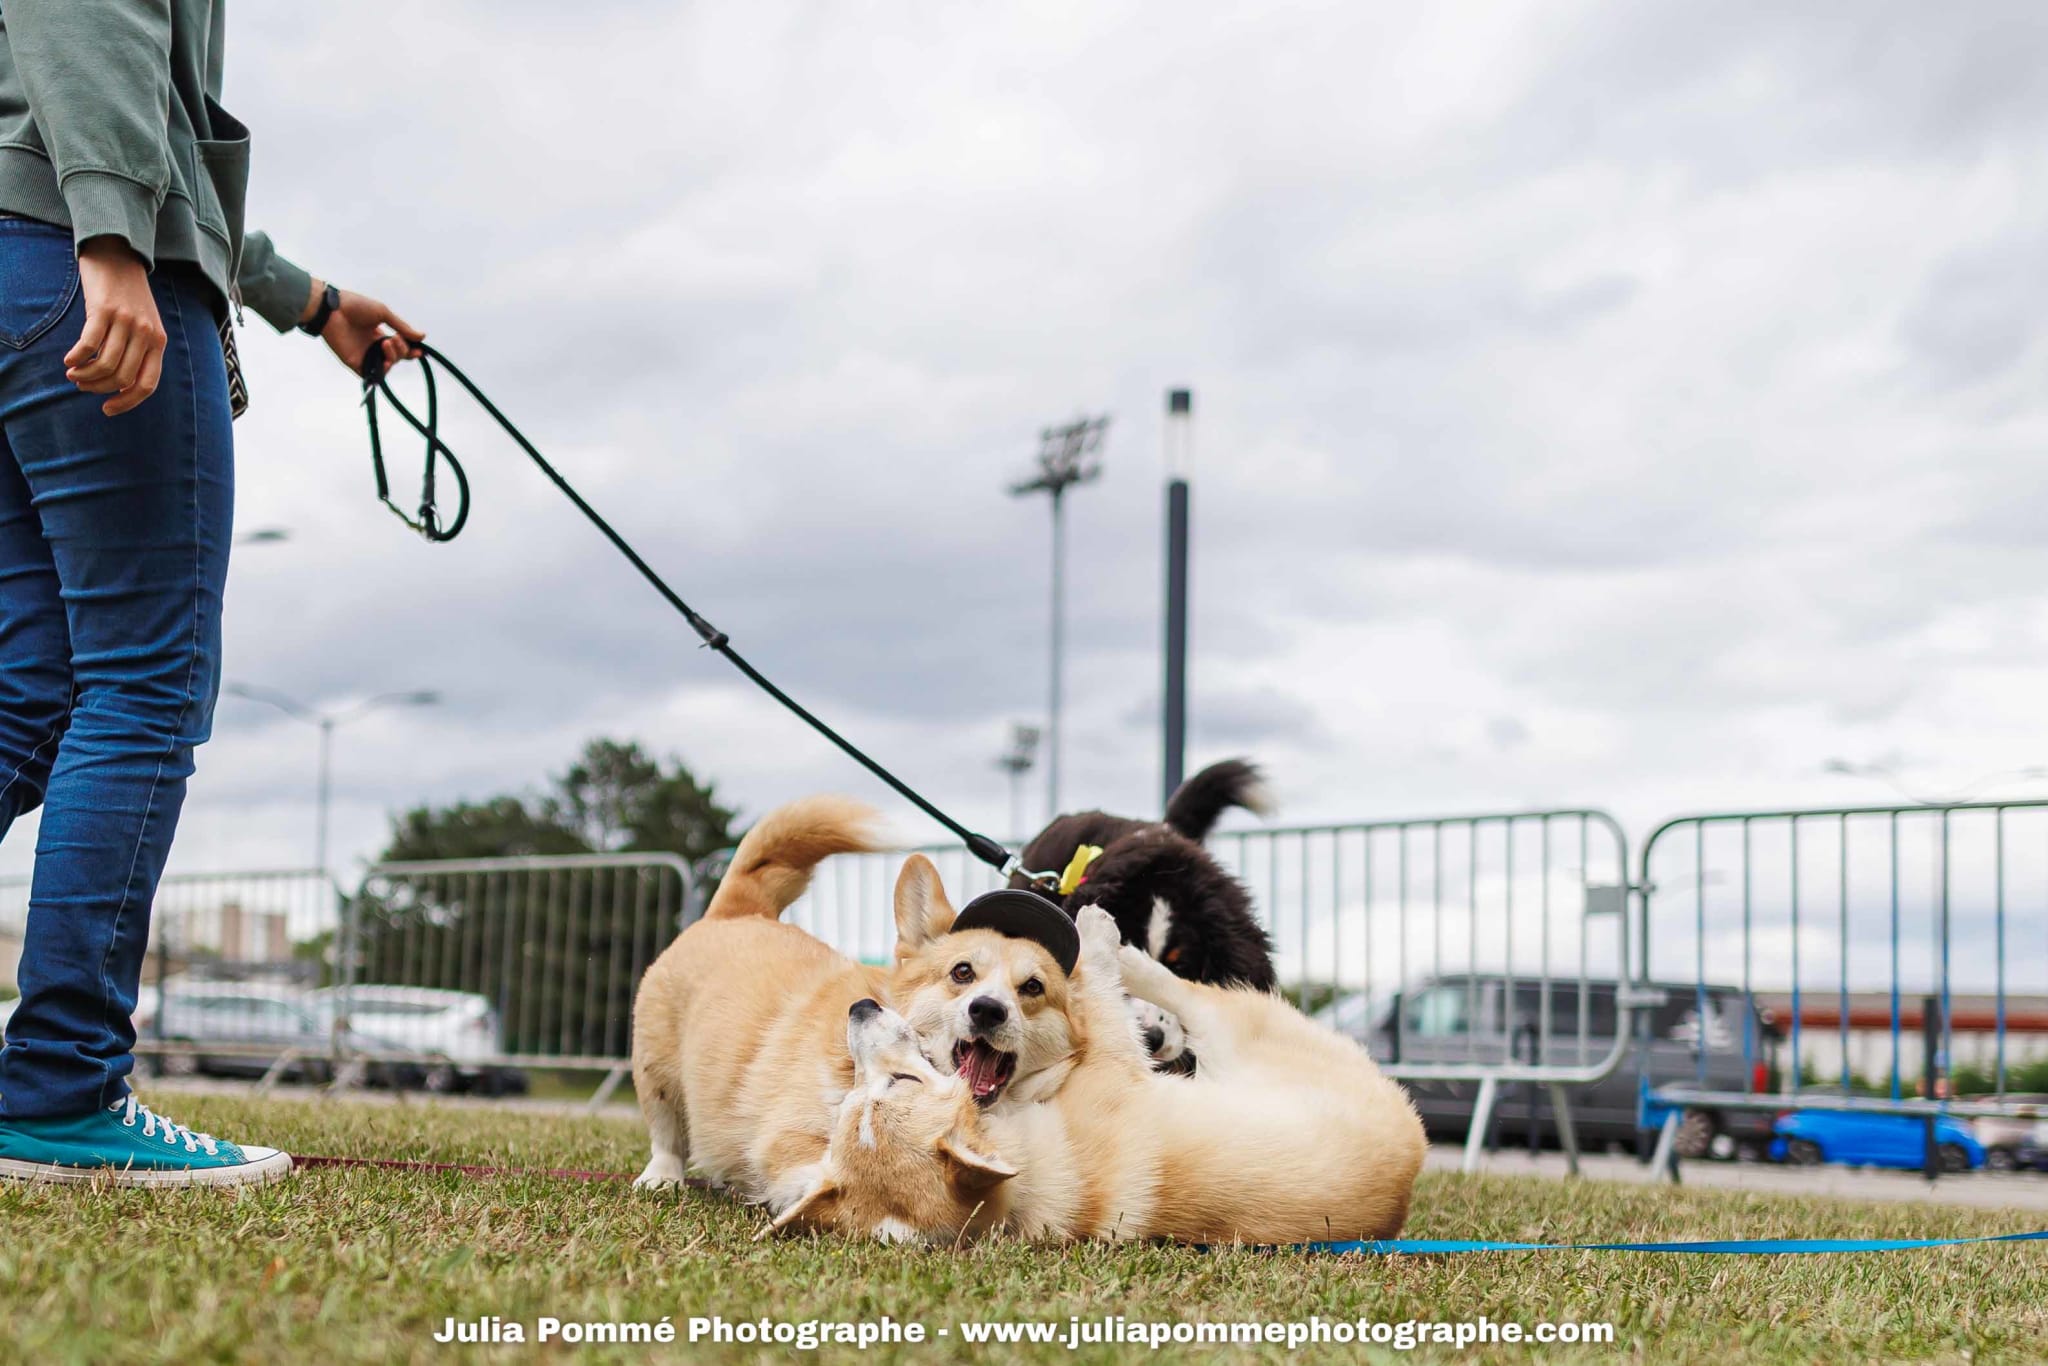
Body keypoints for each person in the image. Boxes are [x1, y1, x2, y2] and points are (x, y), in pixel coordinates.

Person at [0, 3, 420, 1184]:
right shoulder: (100, 224)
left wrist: (309, 296)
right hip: (72, 257)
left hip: (12, 263)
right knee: (143, 681)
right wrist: (114, 239)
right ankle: (59, 1089)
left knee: (33, 692)